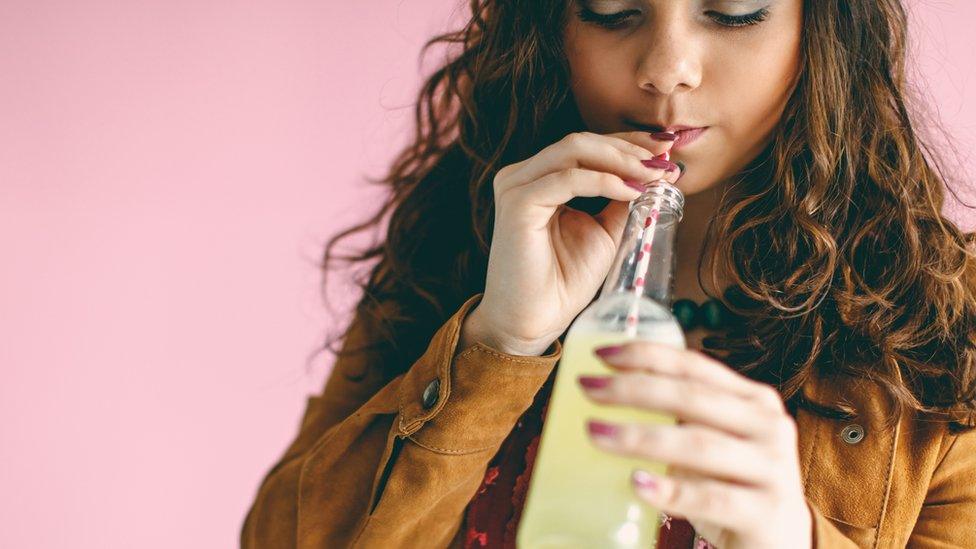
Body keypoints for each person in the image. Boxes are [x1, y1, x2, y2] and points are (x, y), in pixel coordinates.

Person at [241, 1, 976, 547]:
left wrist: (792, 537)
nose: (666, 70)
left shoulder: (952, 328)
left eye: (733, 12)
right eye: (612, 10)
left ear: (826, 30)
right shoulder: (454, 246)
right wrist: (500, 344)